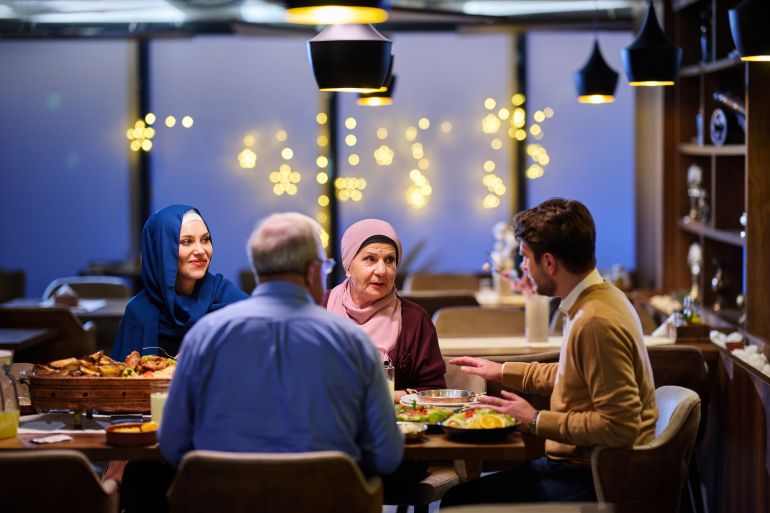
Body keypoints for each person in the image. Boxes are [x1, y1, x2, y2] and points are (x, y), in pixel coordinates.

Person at [441, 198, 658, 507]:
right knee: (461, 496)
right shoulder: (602, 297)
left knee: (458, 503)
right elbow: (572, 375)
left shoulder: (595, 321)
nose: (522, 268)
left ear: (549, 263)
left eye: (525, 258)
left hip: (592, 478)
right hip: (581, 468)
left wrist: (535, 419)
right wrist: (501, 371)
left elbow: (619, 426)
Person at [159, 212, 403, 476]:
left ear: (258, 269)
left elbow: (173, 445)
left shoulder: (203, 337)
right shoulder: (353, 342)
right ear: (312, 271)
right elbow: (387, 455)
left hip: (231, 502)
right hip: (325, 501)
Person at [324, 218, 446, 402]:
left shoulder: (414, 319)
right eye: (370, 259)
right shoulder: (317, 307)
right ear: (348, 267)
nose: (382, 270)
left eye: (389, 260)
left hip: (393, 425)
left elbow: (434, 391)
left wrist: (384, 396)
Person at [111, 204, 247, 360]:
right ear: (161, 250)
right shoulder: (138, 311)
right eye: (187, 242)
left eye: (205, 240)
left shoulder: (228, 299)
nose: (200, 250)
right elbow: (123, 377)